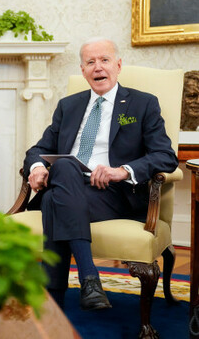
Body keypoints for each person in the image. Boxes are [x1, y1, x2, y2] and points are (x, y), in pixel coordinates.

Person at [23, 37, 179, 311]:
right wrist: (36, 168)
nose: (98, 67)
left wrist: (123, 171)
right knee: (64, 168)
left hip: (115, 194)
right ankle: (90, 281)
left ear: (118, 65)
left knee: (52, 200)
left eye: (105, 60)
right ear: (82, 70)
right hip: (71, 185)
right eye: (90, 62)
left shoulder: (142, 104)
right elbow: (39, 149)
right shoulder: (68, 106)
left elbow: (165, 156)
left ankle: (54, 305)